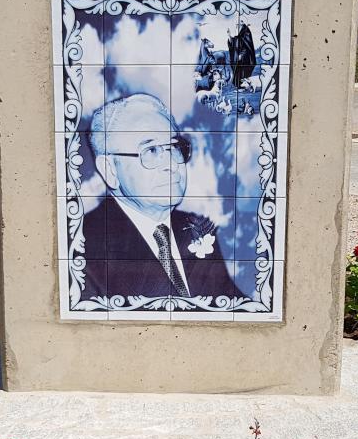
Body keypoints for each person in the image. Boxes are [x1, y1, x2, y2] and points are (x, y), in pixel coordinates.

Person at [81, 93, 243, 303]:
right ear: (110, 169)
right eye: (151, 150)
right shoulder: (82, 246)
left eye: (174, 147)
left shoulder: (195, 228)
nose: (171, 164)